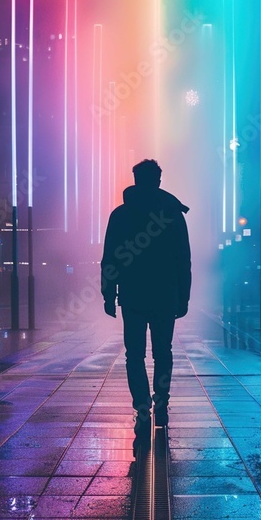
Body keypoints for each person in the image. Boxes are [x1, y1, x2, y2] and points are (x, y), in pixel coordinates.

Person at [101, 159, 191, 454]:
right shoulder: (173, 215)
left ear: (135, 180)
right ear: (159, 181)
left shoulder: (122, 215)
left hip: (133, 294)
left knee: (134, 355)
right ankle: (161, 402)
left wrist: (108, 293)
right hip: (165, 294)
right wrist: (184, 295)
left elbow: (110, 257)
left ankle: (142, 409)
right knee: (163, 352)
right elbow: (183, 258)